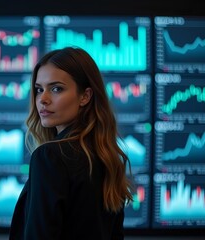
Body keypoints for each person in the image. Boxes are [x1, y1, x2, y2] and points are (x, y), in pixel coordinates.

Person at [9, 47, 133, 240]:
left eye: (56, 88)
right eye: (39, 89)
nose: (43, 99)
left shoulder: (49, 157)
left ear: (85, 96)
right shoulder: (107, 158)